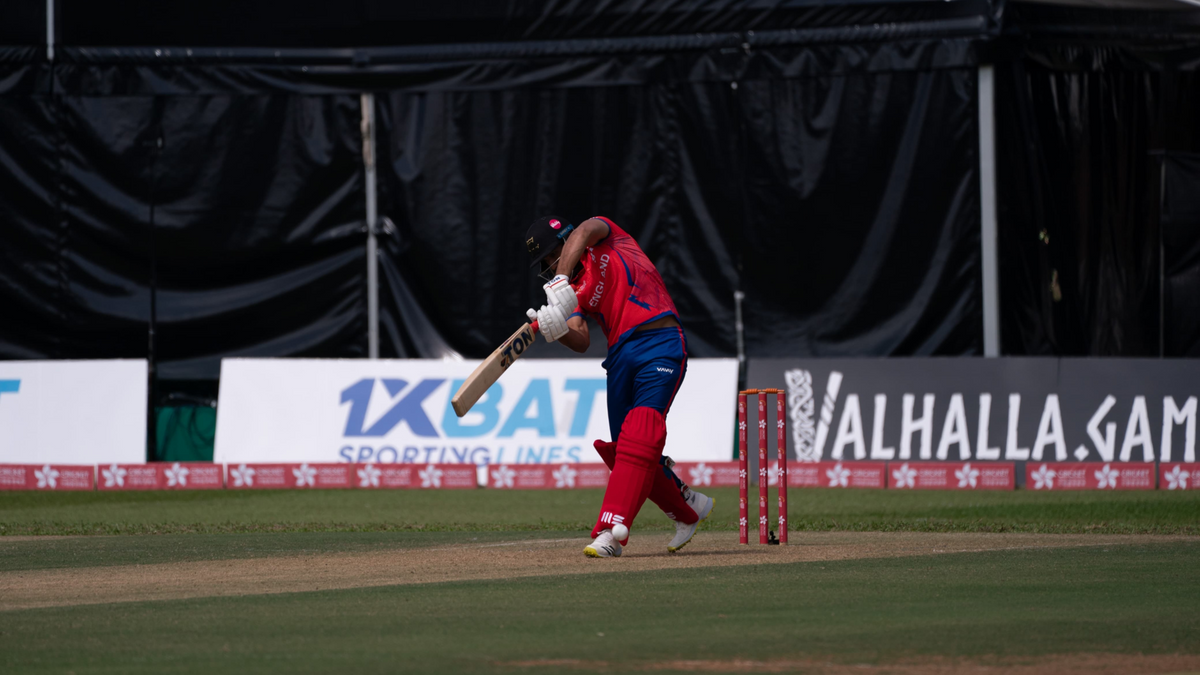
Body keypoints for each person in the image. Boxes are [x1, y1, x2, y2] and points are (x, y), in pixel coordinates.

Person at [524, 215, 715, 558]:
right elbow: (580, 339)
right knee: (626, 452)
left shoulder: (609, 239)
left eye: (551, 258)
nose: (551, 268)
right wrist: (555, 329)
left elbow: (584, 230)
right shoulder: (574, 294)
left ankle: (609, 532)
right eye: (548, 266)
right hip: (620, 359)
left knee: (641, 434)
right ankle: (688, 508)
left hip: (659, 341)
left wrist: (562, 279)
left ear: (564, 245)